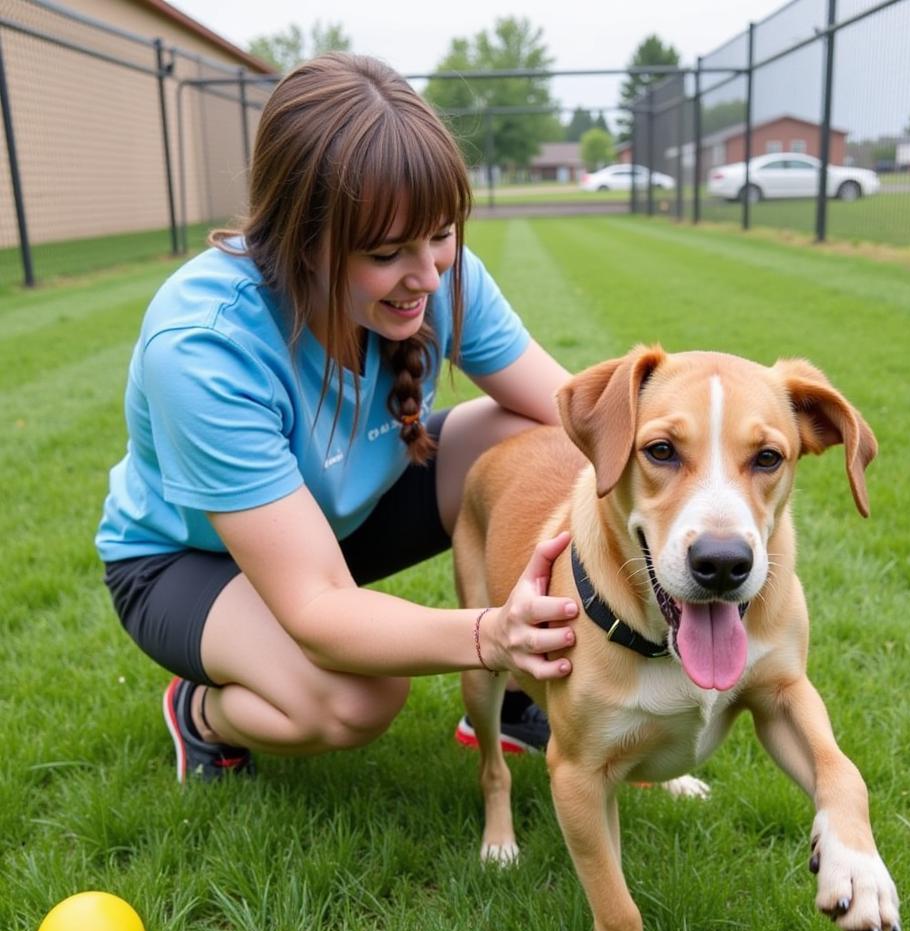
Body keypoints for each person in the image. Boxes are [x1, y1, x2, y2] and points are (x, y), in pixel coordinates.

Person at [96, 52, 578, 783]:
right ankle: (201, 714)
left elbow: (576, 418)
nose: (427, 275)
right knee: (356, 699)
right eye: (387, 254)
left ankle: (513, 705)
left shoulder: (438, 272)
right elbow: (316, 605)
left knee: (537, 443)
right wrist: (491, 634)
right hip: (185, 563)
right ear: (301, 240)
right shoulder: (201, 344)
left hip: (334, 524)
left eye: (441, 235)